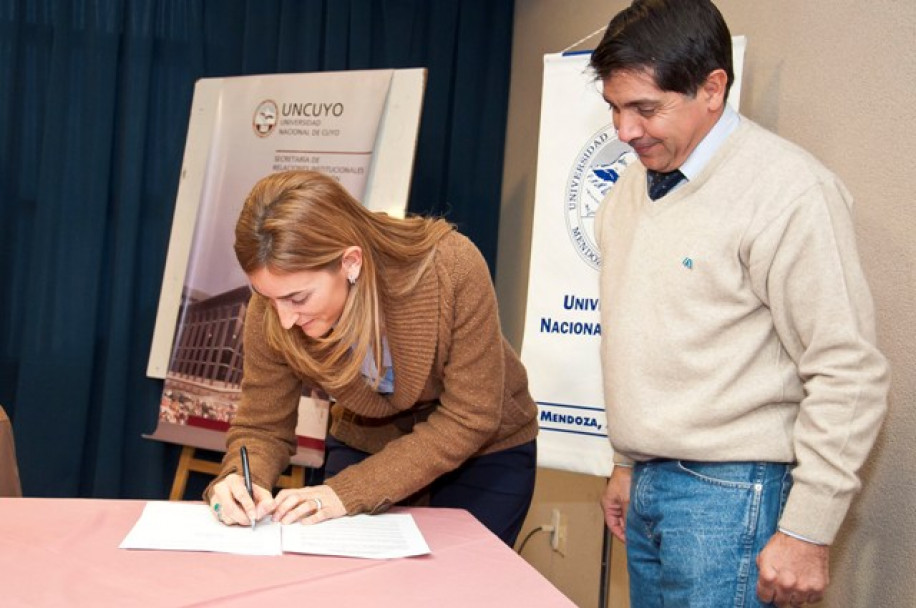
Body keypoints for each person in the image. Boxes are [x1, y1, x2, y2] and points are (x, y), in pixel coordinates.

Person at [590, 1, 889, 606]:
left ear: (712, 88)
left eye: (645, 109)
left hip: (734, 497)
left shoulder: (788, 191)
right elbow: (640, 335)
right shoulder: (626, 190)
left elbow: (848, 371)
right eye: (615, 108)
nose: (624, 131)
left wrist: (808, 528)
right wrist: (626, 462)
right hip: (650, 484)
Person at [204, 170, 539, 546]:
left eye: (298, 299)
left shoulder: (451, 267)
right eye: (268, 297)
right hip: (368, 439)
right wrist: (238, 479)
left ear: (350, 262)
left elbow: (470, 416)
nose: (283, 318)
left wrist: (347, 492)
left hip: (486, 451)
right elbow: (262, 426)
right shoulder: (274, 306)